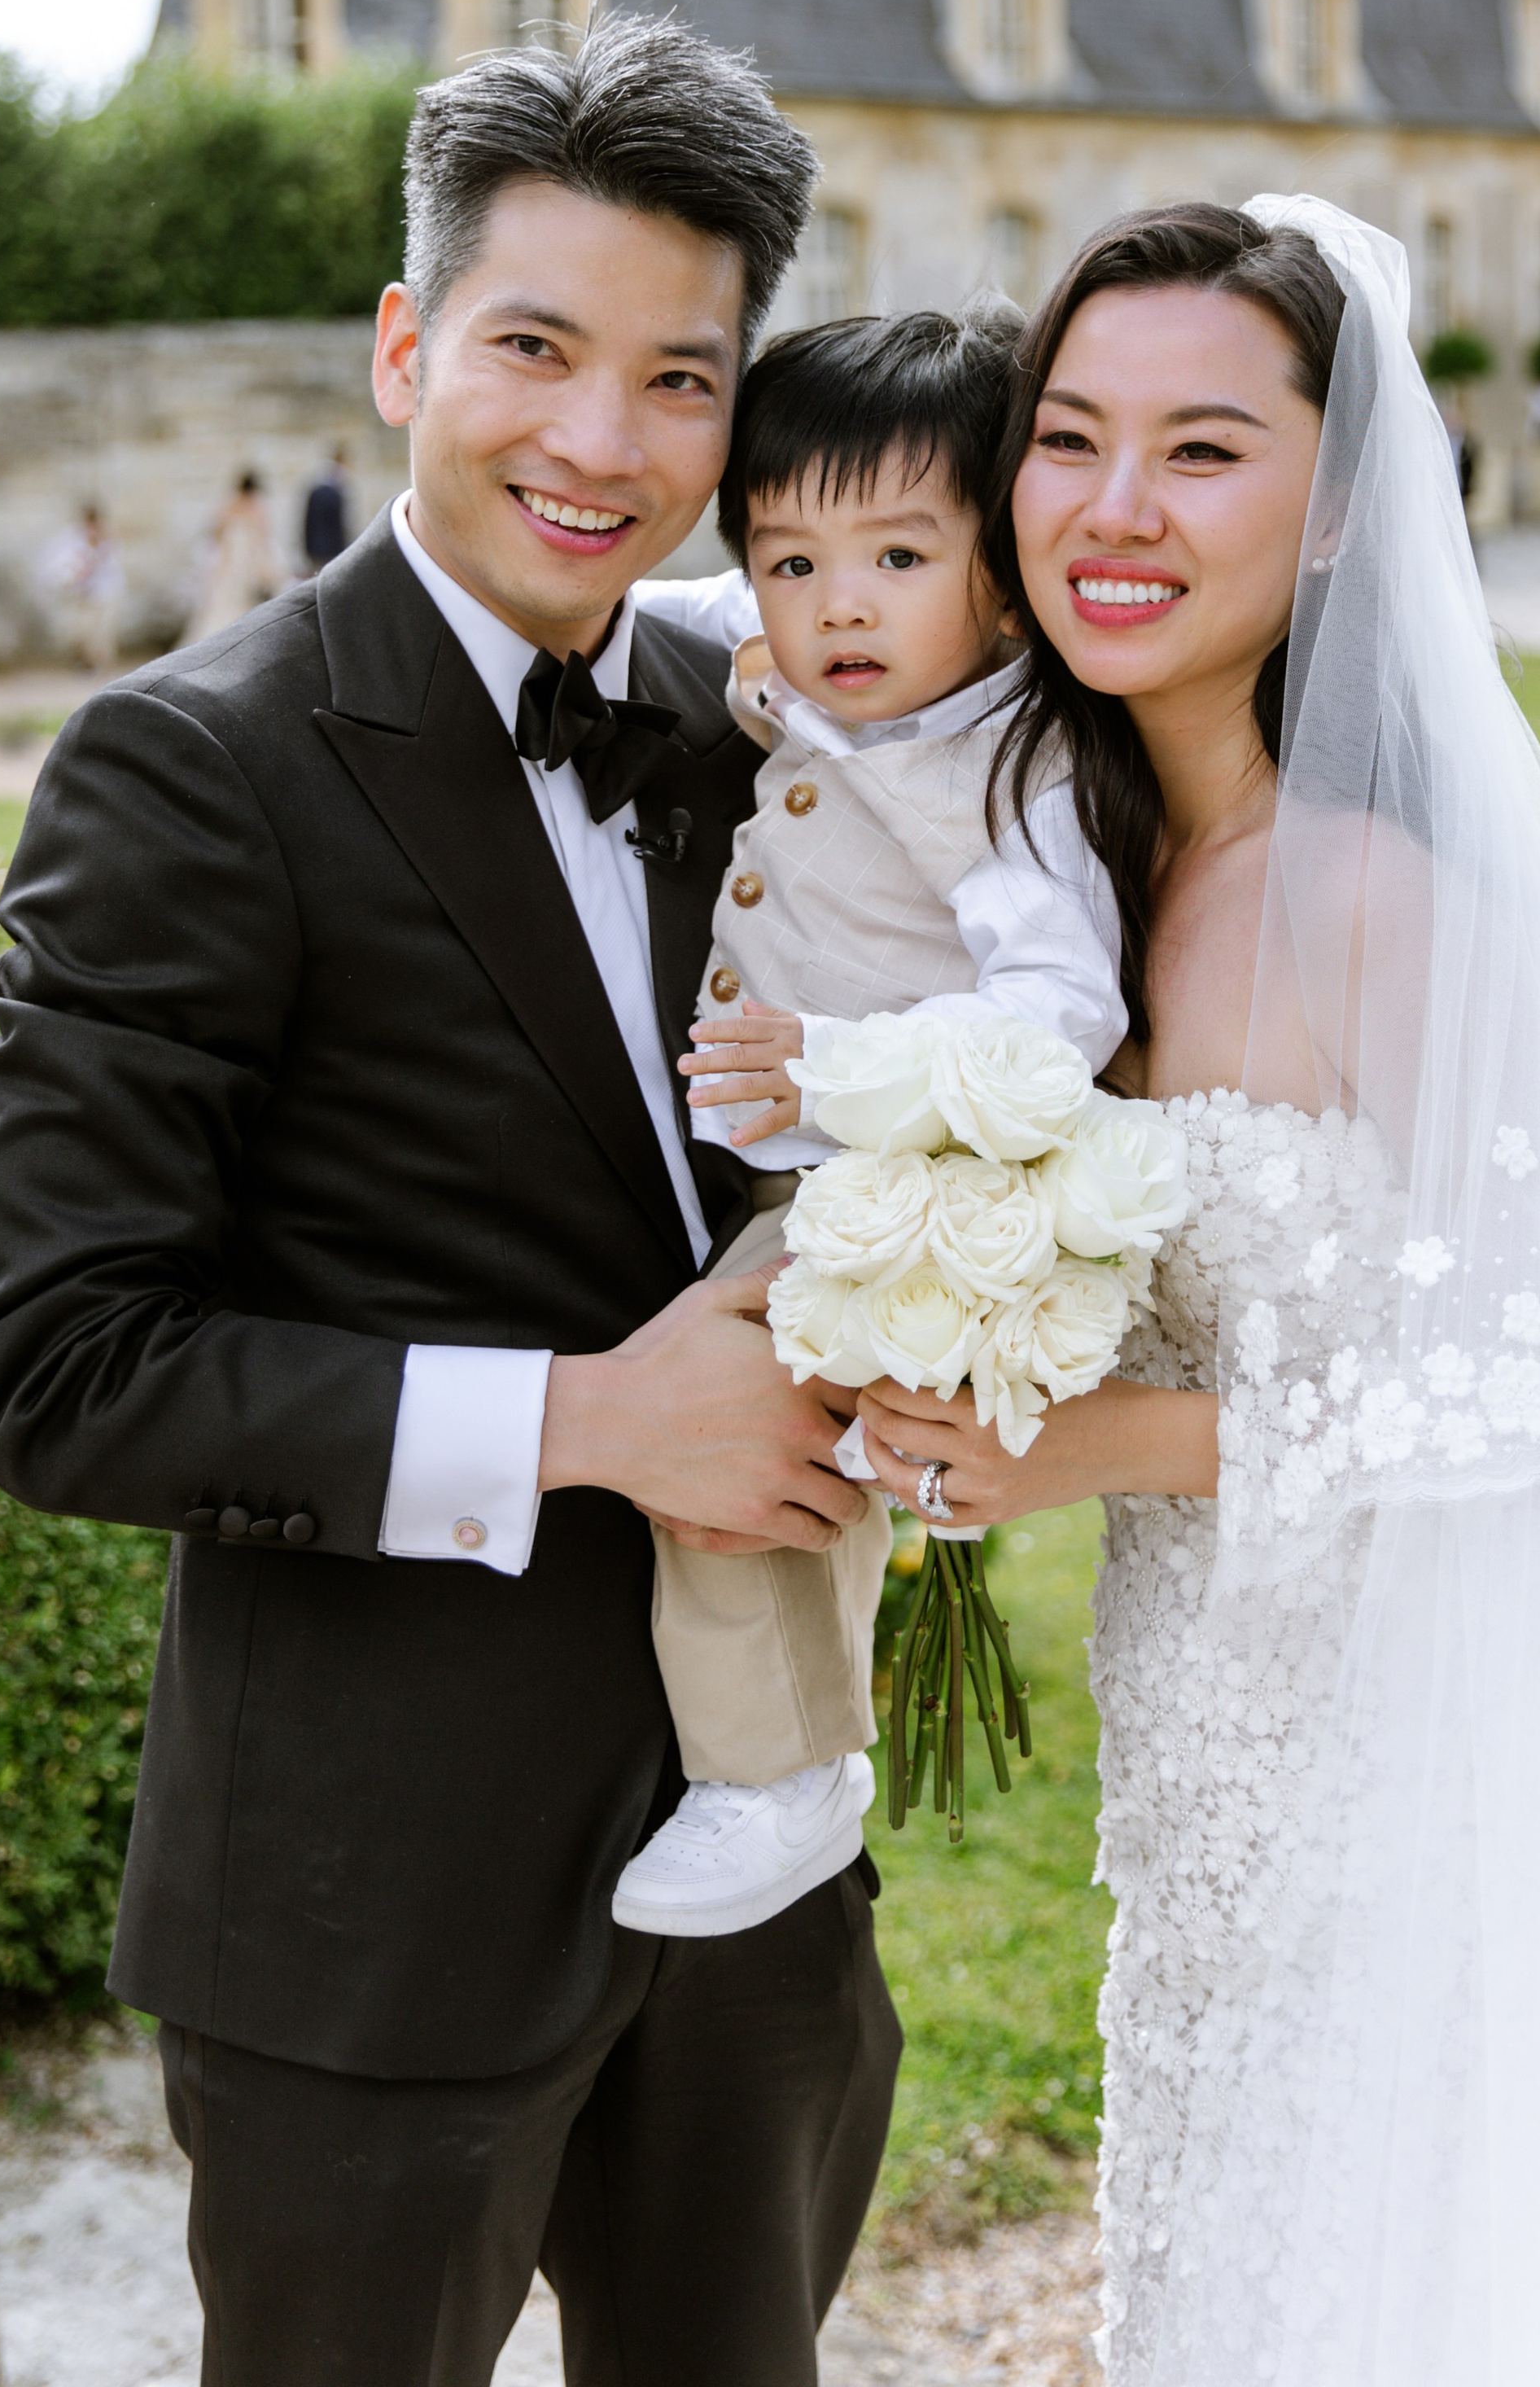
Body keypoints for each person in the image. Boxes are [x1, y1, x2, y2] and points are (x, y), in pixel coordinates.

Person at [855, 199, 1540, 2382]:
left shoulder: (1368, 893)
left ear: (1340, 505)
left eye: (1206, 450)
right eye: (1068, 438)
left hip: (1431, 1812)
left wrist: (1105, 1441)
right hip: (1214, 1815)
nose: (1115, 511)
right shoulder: (1083, 876)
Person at [0, 19, 898, 2387]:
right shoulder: (192, 760)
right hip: (365, 1910)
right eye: (533, 348)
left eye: (677, 377)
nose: (600, 439)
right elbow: (60, 1368)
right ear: (403, 348)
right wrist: (592, 1419)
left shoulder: (750, 712)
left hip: (761, 1874)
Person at [607, 304, 1125, 1939]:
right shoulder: (799, 654)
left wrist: (830, 1066)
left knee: (721, 1438)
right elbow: (642, 594)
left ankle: (780, 1767)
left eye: (896, 558)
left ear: (997, 565)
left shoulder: (1012, 762)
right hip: (759, 1163)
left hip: (874, 1185)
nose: (835, 604)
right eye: (788, 560)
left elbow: (1063, 1019)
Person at [184, 467, 282, 642]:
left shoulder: (229, 504)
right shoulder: (256, 506)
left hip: (230, 559)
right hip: (242, 558)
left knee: (224, 601)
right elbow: (264, 535)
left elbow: (216, 532)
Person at [35, 501, 125, 670]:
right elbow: (63, 567)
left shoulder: (108, 541)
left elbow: (113, 570)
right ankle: (85, 663)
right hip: (81, 596)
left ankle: (101, 666)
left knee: (102, 634)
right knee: (80, 633)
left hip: (104, 594)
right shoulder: (72, 539)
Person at [302, 444, 353, 573]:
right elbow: (340, 525)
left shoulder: (316, 490)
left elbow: (308, 522)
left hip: (315, 549)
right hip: (332, 549)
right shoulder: (336, 493)